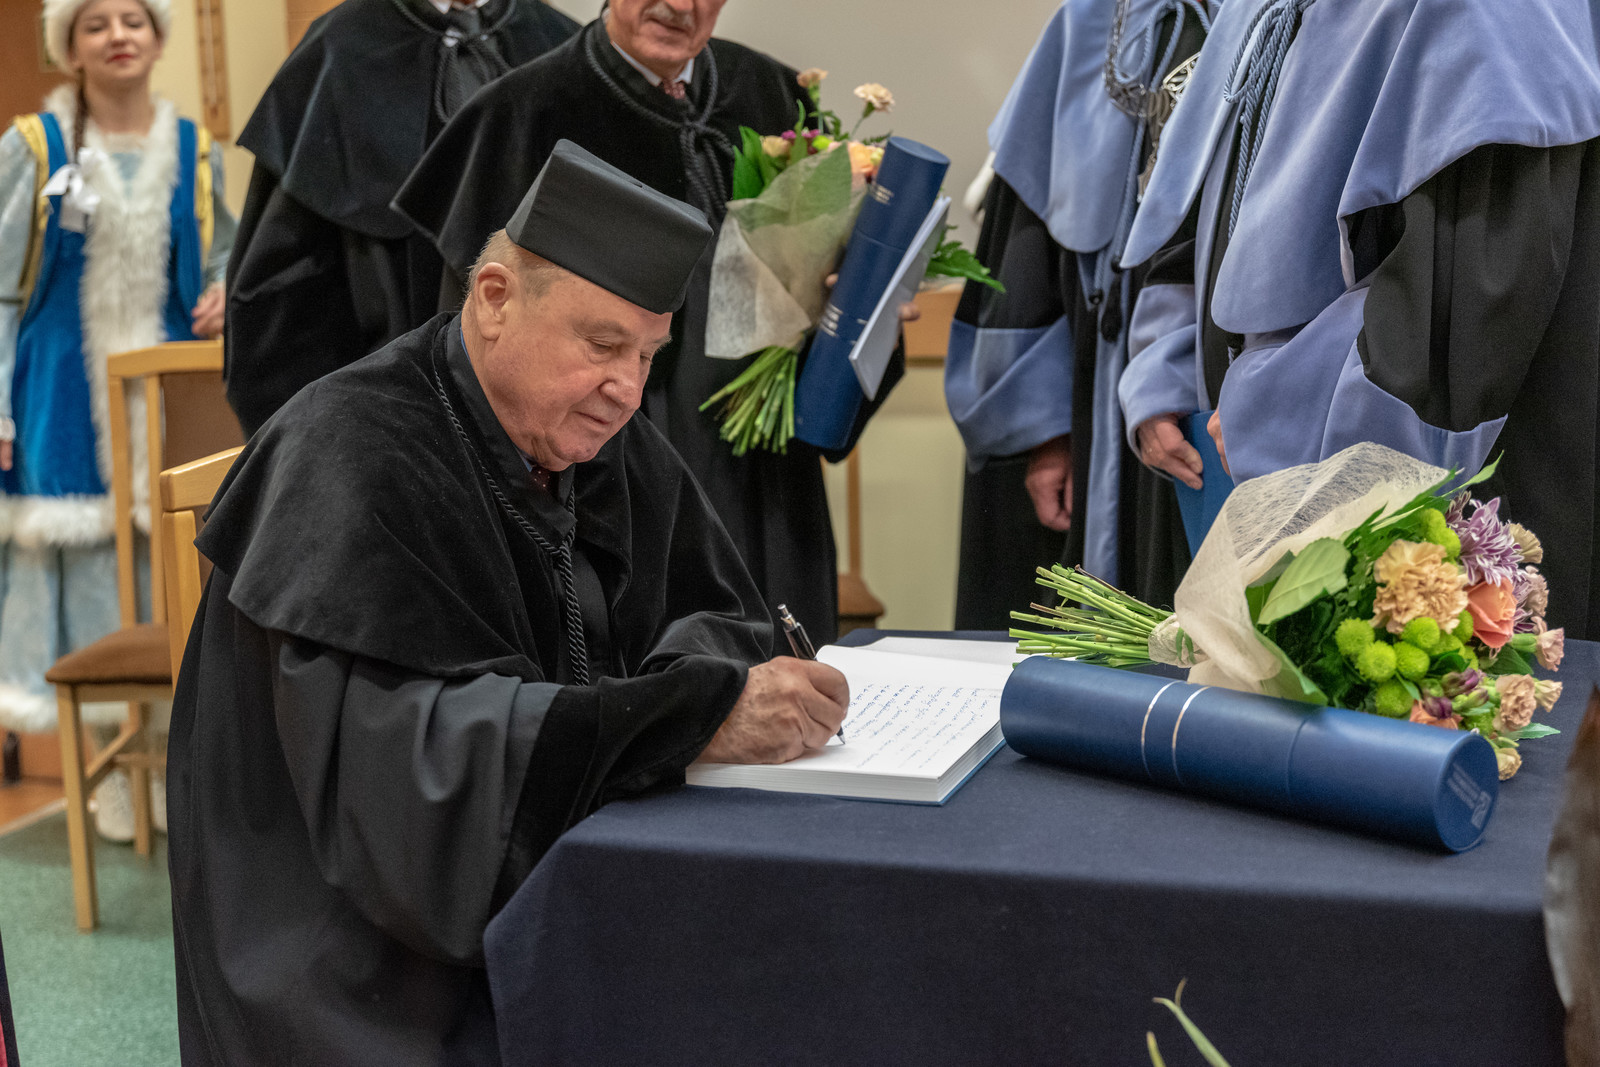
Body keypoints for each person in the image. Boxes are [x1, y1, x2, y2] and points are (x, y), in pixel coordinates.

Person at [168, 140, 850, 1066]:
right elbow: (416, 787)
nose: (626, 389)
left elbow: (716, 614)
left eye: (647, 355)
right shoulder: (350, 455)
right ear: (494, 299)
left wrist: (684, 702)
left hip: (559, 882)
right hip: (357, 963)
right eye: (602, 344)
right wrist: (686, 720)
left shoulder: (594, 435)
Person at [396, 0, 874, 645]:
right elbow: (479, 342)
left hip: (769, 472)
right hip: (615, 465)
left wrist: (856, 305)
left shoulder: (774, 93)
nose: (679, 5)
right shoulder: (521, 112)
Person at [1118, 0, 1600, 638]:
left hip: (1392, 461)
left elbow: (1459, 292)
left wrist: (1267, 410)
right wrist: (1166, 368)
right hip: (1225, 452)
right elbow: (1217, 190)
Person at [0, 0, 234, 835]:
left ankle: (173, 757)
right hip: (64, 396)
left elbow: (227, 260)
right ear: (70, 45)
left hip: (168, 401)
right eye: (95, 23)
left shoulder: (196, 153)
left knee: (173, 571)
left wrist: (224, 294)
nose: (118, 35)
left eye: (134, 18)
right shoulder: (33, 149)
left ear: (159, 36)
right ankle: (110, 770)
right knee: (92, 570)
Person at [944, 0, 1210, 624]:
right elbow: (1029, 243)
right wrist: (1046, 432)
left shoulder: (1304, 20)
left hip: (1228, 380)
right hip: (1103, 405)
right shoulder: (1097, 23)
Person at [222, 0, 579, 436]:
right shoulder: (337, 52)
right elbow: (274, 304)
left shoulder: (562, 45)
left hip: (556, 425)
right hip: (379, 424)